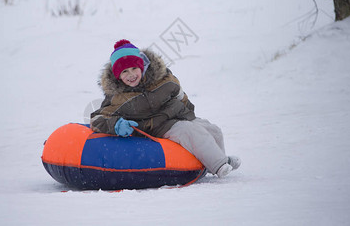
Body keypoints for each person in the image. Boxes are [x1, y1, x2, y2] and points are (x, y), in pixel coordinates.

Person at [90, 39, 240, 178]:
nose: (131, 75)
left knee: (212, 129)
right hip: (157, 126)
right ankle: (218, 165)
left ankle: (222, 158)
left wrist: (188, 110)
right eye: (124, 72)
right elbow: (97, 118)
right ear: (118, 76)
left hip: (178, 115)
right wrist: (116, 125)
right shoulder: (117, 97)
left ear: (142, 66)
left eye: (134, 68)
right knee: (189, 130)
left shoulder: (161, 78)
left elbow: (179, 93)